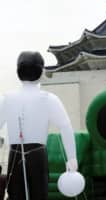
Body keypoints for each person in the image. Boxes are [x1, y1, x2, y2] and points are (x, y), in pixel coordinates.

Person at [0, 51, 78, 200]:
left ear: (18, 71)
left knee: (15, 195)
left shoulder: (7, 98)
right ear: (41, 71)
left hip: (15, 153)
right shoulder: (49, 99)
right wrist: (71, 157)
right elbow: (65, 127)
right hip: (37, 155)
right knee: (39, 194)